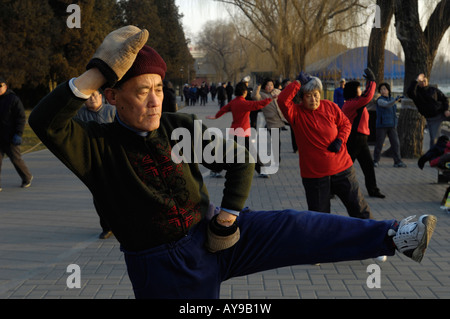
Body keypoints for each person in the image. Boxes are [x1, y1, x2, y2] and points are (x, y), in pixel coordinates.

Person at [29, 26, 437, 299]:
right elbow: (44, 122)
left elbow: (241, 161)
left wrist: (227, 216)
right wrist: (101, 71)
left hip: (214, 237)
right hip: (164, 269)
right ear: (114, 96)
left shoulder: (176, 127)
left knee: (296, 226)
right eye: (140, 92)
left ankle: (396, 235)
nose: (155, 101)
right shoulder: (95, 147)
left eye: (158, 88)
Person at [278, 73, 372, 219]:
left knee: (359, 209)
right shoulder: (296, 113)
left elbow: (345, 124)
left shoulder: (329, 106)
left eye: (316, 94)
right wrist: (297, 82)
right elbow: (282, 100)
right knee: (320, 219)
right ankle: (323, 242)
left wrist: (340, 140)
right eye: (308, 95)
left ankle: (376, 237)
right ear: (302, 97)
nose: (313, 99)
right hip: (315, 176)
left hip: (343, 170)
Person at [206, 81, 272, 178]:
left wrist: (216, 116)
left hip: (235, 131)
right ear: (244, 92)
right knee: (248, 152)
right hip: (242, 132)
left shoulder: (233, 102)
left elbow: (224, 109)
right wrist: (270, 99)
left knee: (231, 152)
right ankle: (262, 171)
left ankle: (216, 170)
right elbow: (258, 104)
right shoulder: (244, 103)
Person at [74, 89, 116, 239]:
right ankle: (106, 227)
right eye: (88, 96)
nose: (91, 98)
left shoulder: (112, 111)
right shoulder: (80, 114)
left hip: (114, 159)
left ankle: (124, 224)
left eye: (94, 95)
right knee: (99, 197)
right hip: (93, 162)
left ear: (101, 97)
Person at [342, 69, 385, 199]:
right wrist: (371, 81)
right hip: (354, 138)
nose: (360, 90)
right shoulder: (352, 104)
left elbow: (366, 96)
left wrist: (370, 82)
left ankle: (373, 190)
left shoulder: (355, 102)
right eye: (359, 88)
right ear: (353, 91)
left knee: (368, 166)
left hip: (361, 139)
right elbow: (368, 95)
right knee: (345, 166)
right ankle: (332, 189)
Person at [0, 76, 33, 192]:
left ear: (5, 86)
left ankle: (27, 177)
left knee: (16, 159)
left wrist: (18, 134)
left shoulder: (13, 99)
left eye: (0, 86)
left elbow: (21, 118)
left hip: (10, 137)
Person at [407, 73, 450, 148]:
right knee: (434, 140)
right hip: (432, 119)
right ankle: (433, 158)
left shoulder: (433, 90)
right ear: (418, 82)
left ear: (427, 81)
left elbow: (444, 99)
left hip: (442, 112)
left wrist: (446, 109)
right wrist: (416, 80)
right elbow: (409, 93)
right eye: (421, 81)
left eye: (425, 81)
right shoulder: (416, 93)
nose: (423, 83)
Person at [252, 78, 286, 166]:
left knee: (277, 141)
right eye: (268, 85)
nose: (270, 87)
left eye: (271, 85)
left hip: (280, 119)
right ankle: (276, 159)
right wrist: (258, 85)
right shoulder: (262, 95)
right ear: (264, 86)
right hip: (271, 121)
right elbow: (254, 96)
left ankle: (276, 158)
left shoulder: (277, 92)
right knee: (276, 141)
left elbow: (285, 97)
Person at [373, 83, 407, 168]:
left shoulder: (392, 99)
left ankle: (397, 161)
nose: (383, 91)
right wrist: (396, 100)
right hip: (381, 126)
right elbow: (387, 104)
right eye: (381, 89)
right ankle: (375, 161)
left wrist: (400, 99)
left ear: (388, 90)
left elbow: (394, 108)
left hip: (392, 125)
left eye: (384, 89)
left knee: (396, 144)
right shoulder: (380, 100)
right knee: (379, 144)